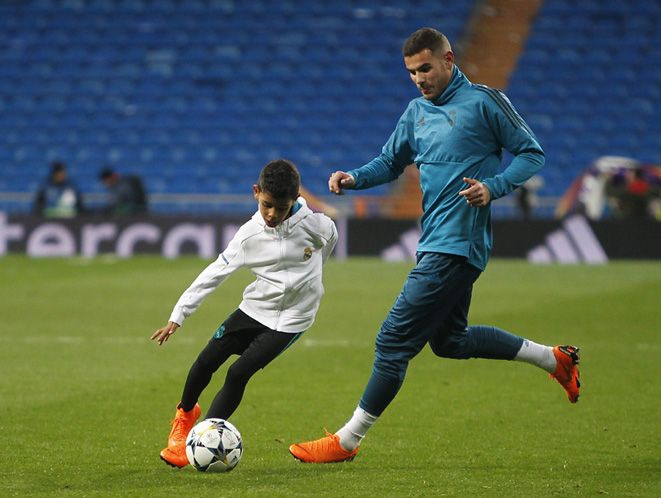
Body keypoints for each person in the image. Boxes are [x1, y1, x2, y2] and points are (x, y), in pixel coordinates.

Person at [289, 27, 580, 464]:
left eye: (425, 68)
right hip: (435, 243)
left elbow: (532, 153)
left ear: (448, 60)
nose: (419, 78)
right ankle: (554, 359)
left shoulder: (484, 102)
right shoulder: (415, 113)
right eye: (411, 72)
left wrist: (494, 186)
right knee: (451, 341)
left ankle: (347, 441)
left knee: (391, 342)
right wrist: (354, 178)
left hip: (458, 245)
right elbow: (391, 161)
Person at [150, 159, 337, 468]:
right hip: (255, 308)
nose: (272, 214)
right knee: (205, 362)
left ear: (294, 199)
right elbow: (215, 273)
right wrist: (178, 315)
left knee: (238, 373)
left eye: (280, 207)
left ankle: (200, 441)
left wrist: (312, 282)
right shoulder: (249, 235)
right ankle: (185, 416)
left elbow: (329, 243)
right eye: (266, 205)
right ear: (255, 193)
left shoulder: (317, 225)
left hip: (292, 320)